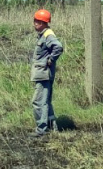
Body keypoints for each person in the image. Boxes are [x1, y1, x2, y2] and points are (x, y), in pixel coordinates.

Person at [30, 9, 63, 138]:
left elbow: (58, 47)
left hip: (43, 73)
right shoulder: (44, 34)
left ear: (44, 23)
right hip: (42, 73)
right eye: (35, 21)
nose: (35, 24)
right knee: (46, 101)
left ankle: (42, 130)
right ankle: (51, 127)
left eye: (38, 21)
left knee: (38, 102)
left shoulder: (48, 35)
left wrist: (50, 59)